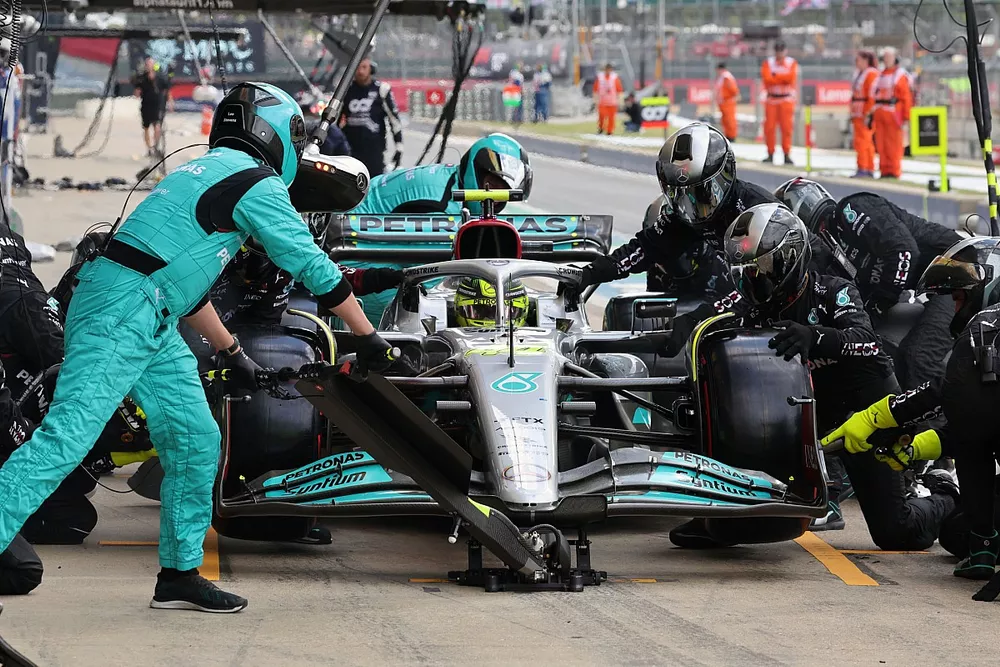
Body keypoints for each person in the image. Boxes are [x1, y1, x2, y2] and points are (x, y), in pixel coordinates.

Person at [0, 82, 395, 613]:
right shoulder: (255, 181)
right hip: (124, 312)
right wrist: (368, 336)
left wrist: (232, 352)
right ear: (275, 133)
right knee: (65, 440)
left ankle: (180, 575)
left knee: (194, 439)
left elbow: (181, 281)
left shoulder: (207, 171)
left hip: (144, 307)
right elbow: (310, 263)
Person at [662, 203, 957, 549]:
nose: (752, 280)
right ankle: (723, 513)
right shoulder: (751, 306)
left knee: (897, 533)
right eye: (743, 271)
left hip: (863, 413)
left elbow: (869, 344)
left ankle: (945, 490)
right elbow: (718, 312)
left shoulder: (835, 291)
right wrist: (688, 323)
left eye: (762, 268)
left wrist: (816, 337)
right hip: (804, 410)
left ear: (791, 257)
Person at [822, 236, 1000, 581]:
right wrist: (917, 446)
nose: (953, 307)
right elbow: (973, 415)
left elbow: (944, 393)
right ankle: (980, 543)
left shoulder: (983, 333)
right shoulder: (981, 338)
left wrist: (875, 417)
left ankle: (982, 543)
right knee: (955, 533)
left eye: (958, 297)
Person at [774, 178, 961, 388]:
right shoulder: (829, 254)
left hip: (958, 274)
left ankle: (936, 421)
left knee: (918, 358)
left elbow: (904, 252)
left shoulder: (851, 209)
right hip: (932, 288)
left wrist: (878, 306)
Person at [348, 133, 532, 324]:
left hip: (369, 236)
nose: (495, 196)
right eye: (491, 185)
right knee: (424, 315)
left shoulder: (452, 180)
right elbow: (427, 281)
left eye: (503, 190)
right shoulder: (441, 209)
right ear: (474, 171)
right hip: (357, 254)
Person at [577, 123, 777, 295]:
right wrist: (589, 273)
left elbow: (798, 263)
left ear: (725, 175)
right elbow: (644, 248)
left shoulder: (758, 210)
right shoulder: (685, 216)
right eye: (679, 195)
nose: (691, 206)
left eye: (701, 193)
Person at [340, 57, 403, 177]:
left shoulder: (382, 90)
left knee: (374, 184)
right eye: (357, 68)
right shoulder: (346, 90)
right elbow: (336, 119)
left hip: (374, 150)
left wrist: (399, 147)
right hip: (350, 150)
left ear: (371, 69)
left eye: (364, 67)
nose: (361, 72)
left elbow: (394, 120)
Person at [872, 47, 912, 179]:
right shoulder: (880, 75)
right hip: (880, 113)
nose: (887, 60)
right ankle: (884, 169)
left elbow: (906, 97)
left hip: (894, 114)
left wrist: (906, 117)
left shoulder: (900, 75)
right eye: (885, 57)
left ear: (895, 58)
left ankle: (894, 171)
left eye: (889, 57)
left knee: (894, 144)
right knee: (881, 144)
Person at [760, 41, 797, 165]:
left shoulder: (791, 63)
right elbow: (767, 79)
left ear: (785, 51)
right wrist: (782, 77)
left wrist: (775, 76)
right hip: (771, 100)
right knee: (769, 128)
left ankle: (787, 154)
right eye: (777, 50)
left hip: (786, 100)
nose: (779, 53)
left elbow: (791, 78)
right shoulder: (768, 63)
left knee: (786, 128)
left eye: (781, 50)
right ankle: (770, 154)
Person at [133, 57, 173, 158]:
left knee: (157, 126)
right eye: (147, 64)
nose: (149, 66)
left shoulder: (160, 77)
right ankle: (149, 148)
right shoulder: (141, 78)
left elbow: (167, 90)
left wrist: (170, 102)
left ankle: (155, 146)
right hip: (146, 104)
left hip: (157, 104)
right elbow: (137, 93)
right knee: (146, 128)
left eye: (151, 64)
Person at [850, 50, 879, 178]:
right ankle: (864, 166)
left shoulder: (871, 74)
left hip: (864, 113)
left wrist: (868, 113)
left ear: (866, 60)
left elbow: (871, 96)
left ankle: (865, 167)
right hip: (857, 113)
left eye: (859, 60)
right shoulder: (859, 74)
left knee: (864, 141)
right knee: (860, 141)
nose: (857, 63)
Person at [593, 62, 623, 135]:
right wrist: (595, 100)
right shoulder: (600, 78)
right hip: (602, 101)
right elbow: (595, 90)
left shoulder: (614, 78)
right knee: (602, 116)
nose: (608, 71)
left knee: (611, 118)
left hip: (612, 101)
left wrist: (620, 101)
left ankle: (610, 131)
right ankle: (601, 128)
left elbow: (619, 90)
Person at [714, 63, 740, 142]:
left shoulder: (726, 77)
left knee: (730, 119)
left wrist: (733, 96)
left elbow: (733, 89)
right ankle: (728, 135)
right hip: (724, 102)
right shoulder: (723, 77)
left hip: (728, 102)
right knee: (725, 120)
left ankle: (732, 136)